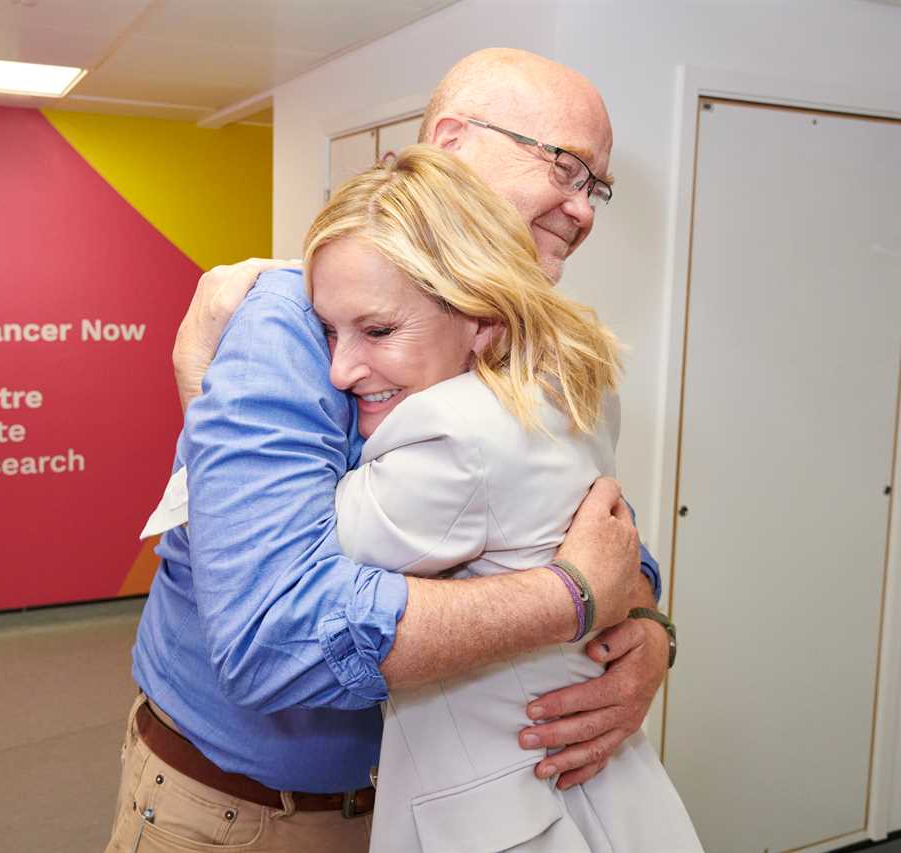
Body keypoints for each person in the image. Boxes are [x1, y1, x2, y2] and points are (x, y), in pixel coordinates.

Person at [106, 49, 673, 853]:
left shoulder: (522, 337)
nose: (584, 211)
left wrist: (645, 628)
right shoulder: (292, 324)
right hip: (251, 811)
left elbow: (588, 519)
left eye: (596, 188)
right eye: (567, 169)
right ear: (452, 141)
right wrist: (570, 597)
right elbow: (271, 631)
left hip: (428, 802)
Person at [306, 145, 701, 852]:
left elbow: (297, 556)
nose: (338, 368)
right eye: (326, 331)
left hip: (502, 814)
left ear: (480, 320)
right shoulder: (562, 385)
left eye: (377, 330)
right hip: (596, 792)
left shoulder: (448, 435)